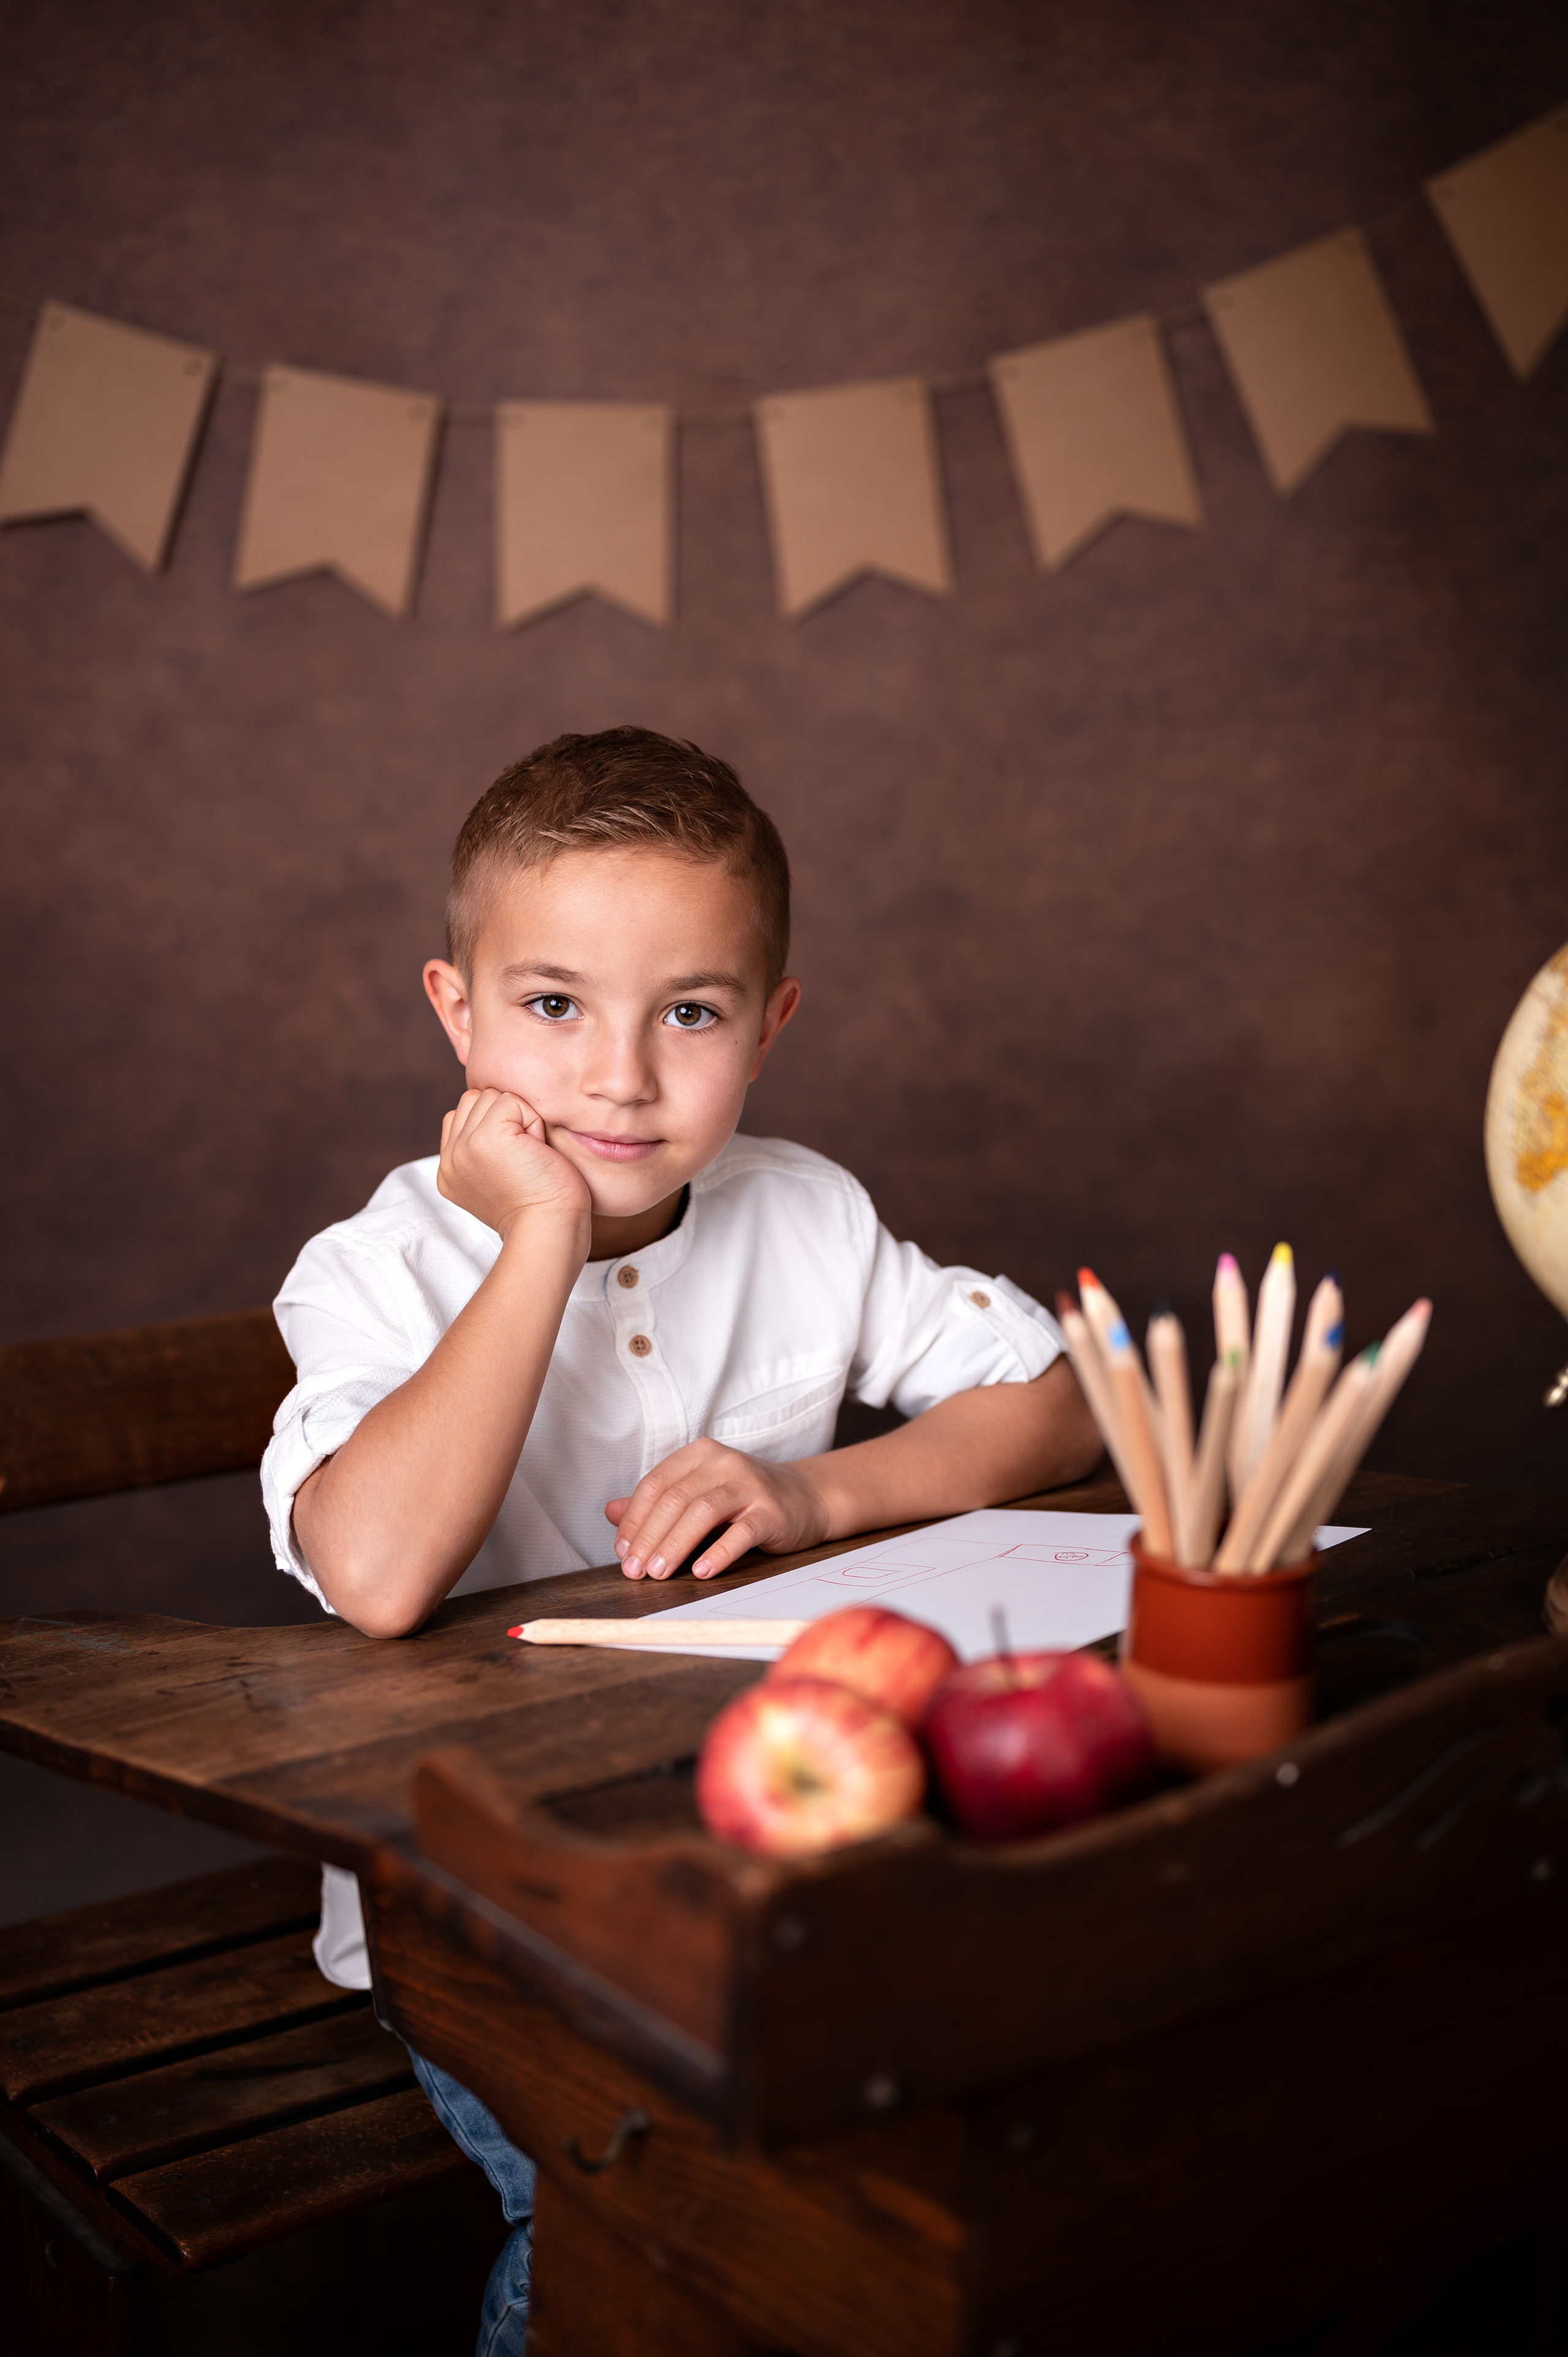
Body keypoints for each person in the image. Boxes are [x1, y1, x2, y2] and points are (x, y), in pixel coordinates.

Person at [260, 725, 1100, 2357]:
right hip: (479, 1905)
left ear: (771, 1028)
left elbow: (1058, 1406)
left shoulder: (808, 1216)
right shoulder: (370, 1269)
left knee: (956, 2129)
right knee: (635, 2201)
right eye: (554, 1007)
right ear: (457, 1011)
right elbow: (372, 1576)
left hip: (769, 1851)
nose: (620, 1077)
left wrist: (821, 1494)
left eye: (692, 1014)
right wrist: (543, 1238)